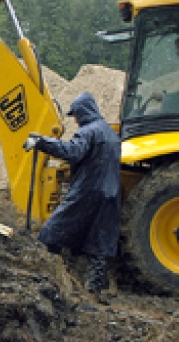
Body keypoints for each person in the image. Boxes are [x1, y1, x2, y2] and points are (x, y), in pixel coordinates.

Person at [23, 92, 122, 294]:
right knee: (99, 241)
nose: (75, 120)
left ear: (82, 112)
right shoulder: (112, 134)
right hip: (111, 194)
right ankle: (94, 288)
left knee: (51, 231)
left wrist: (41, 142)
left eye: (75, 115)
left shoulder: (88, 131)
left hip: (87, 192)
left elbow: (73, 152)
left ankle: (45, 274)